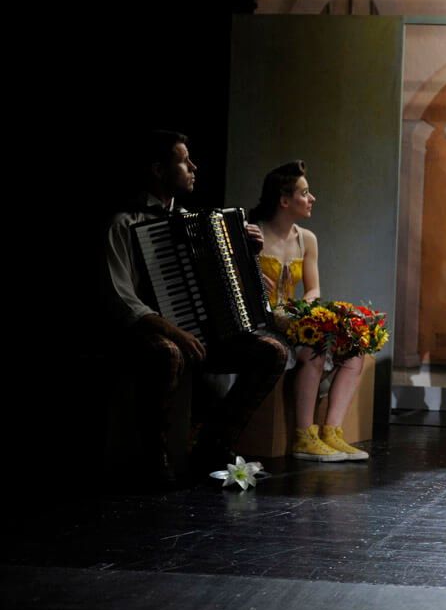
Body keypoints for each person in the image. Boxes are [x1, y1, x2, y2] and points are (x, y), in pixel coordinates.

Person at [104, 130, 287, 482]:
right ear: (158, 169)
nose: (194, 166)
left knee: (272, 352)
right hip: (144, 335)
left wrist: (247, 255)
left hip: (197, 334)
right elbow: (120, 299)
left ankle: (213, 447)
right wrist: (173, 330)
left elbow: (220, 285)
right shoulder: (123, 224)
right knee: (168, 352)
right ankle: (153, 460)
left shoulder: (192, 223)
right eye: (184, 161)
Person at [249, 160, 368, 462]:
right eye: (305, 193)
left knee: (355, 351)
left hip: (292, 316)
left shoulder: (307, 239)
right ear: (284, 200)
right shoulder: (254, 234)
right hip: (260, 321)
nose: (312, 198)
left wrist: (306, 311)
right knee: (312, 351)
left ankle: (331, 432)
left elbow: (313, 289)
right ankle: (304, 435)